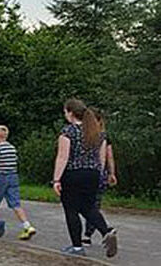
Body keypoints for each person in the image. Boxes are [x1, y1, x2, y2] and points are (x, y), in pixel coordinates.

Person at [52, 99, 116, 258]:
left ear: (70, 113)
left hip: (73, 174)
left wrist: (56, 179)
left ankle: (77, 246)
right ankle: (106, 230)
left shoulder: (68, 132)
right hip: (93, 174)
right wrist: (100, 175)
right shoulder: (98, 133)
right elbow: (101, 158)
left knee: (71, 209)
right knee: (88, 206)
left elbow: (62, 157)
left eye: (65, 112)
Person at [85, 108, 116, 245]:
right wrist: (111, 173)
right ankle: (97, 231)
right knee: (94, 203)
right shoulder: (104, 136)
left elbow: (107, 156)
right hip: (100, 173)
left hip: (91, 173)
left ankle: (91, 233)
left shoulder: (88, 135)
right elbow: (110, 156)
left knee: (88, 204)